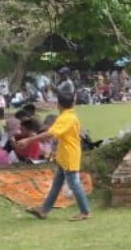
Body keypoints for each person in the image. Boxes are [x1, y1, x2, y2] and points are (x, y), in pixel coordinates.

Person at [22, 93, 92, 221]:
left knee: (74, 184)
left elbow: (50, 134)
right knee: (56, 185)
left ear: (58, 104)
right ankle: (43, 210)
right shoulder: (67, 116)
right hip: (64, 156)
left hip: (69, 156)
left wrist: (29, 140)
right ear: (73, 103)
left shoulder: (67, 118)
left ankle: (85, 211)